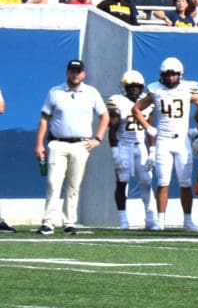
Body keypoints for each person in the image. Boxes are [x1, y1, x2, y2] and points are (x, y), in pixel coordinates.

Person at [34, 57, 104, 235]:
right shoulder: (55, 92)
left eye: (78, 71)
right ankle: (48, 222)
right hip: (58, 142)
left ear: (84, 74)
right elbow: (44, 118)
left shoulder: (91, 92)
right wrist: (39, 143)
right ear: (67, 73)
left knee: (74, 185)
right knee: (53, 183)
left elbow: (105, 116)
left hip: (81, 144)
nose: (75, 75)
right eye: (72, 71)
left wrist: (98, 138)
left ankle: (69, 222)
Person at [139, 55, 198, 231]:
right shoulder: (155, 89)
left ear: (180, 75)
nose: (171, 78)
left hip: (182, 140)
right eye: (167, 74)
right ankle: (161, 221)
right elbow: (137, 109)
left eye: (174, 74)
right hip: (164, 140)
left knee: (186, 182)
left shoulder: (189, 88)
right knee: (163, 182)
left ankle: (188, 220)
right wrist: (148, 127)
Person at [108, 69, 155, 229]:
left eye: (137, 86)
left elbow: (151, 128)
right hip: (123, 145)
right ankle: (123, 220)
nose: (134, 89)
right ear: (124, 87)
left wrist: (153, 150)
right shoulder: (117, 101)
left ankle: (150, 219)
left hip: (140, 145)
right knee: (122, 182)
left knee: (146, 182)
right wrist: (115, 152)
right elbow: (112, 129)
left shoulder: (146, 101)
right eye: (131, 86)